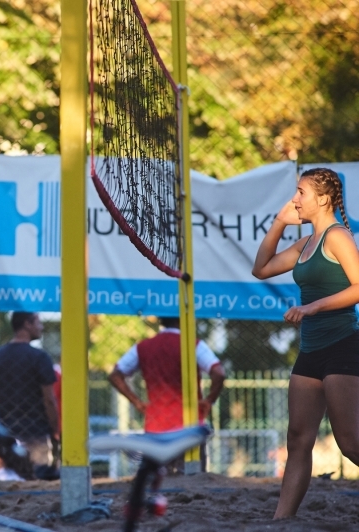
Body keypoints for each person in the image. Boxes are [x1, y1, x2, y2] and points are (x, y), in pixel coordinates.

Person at [252, 167, 359, 519]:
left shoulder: (337, 236)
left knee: (351, 443)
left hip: (343, 345)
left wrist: (313, 306)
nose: (295, 199)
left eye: (301, 192)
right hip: (311, 351)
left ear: (323, 198)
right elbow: (261, 269)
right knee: (298, 439)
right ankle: (280, 521)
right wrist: (280, 222)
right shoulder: (306, 242)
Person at [108, 316, 226, 472]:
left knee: (159, 480)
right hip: (188, 423)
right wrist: (209, 400)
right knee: (194, 478)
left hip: (157, 424)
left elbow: (115, 375)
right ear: (183, 321)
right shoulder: (193, 344)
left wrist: (136, 402)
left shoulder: (143, 347)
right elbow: (219, 373)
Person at [0, 312, 59, 468]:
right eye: (38, 322)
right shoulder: (40, 357)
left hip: (5, 431)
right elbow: (49, 399)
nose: (42, 327)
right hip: (36, 430)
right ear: (27, 324)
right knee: (37, 478)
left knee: (7, 477)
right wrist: (54, 428)